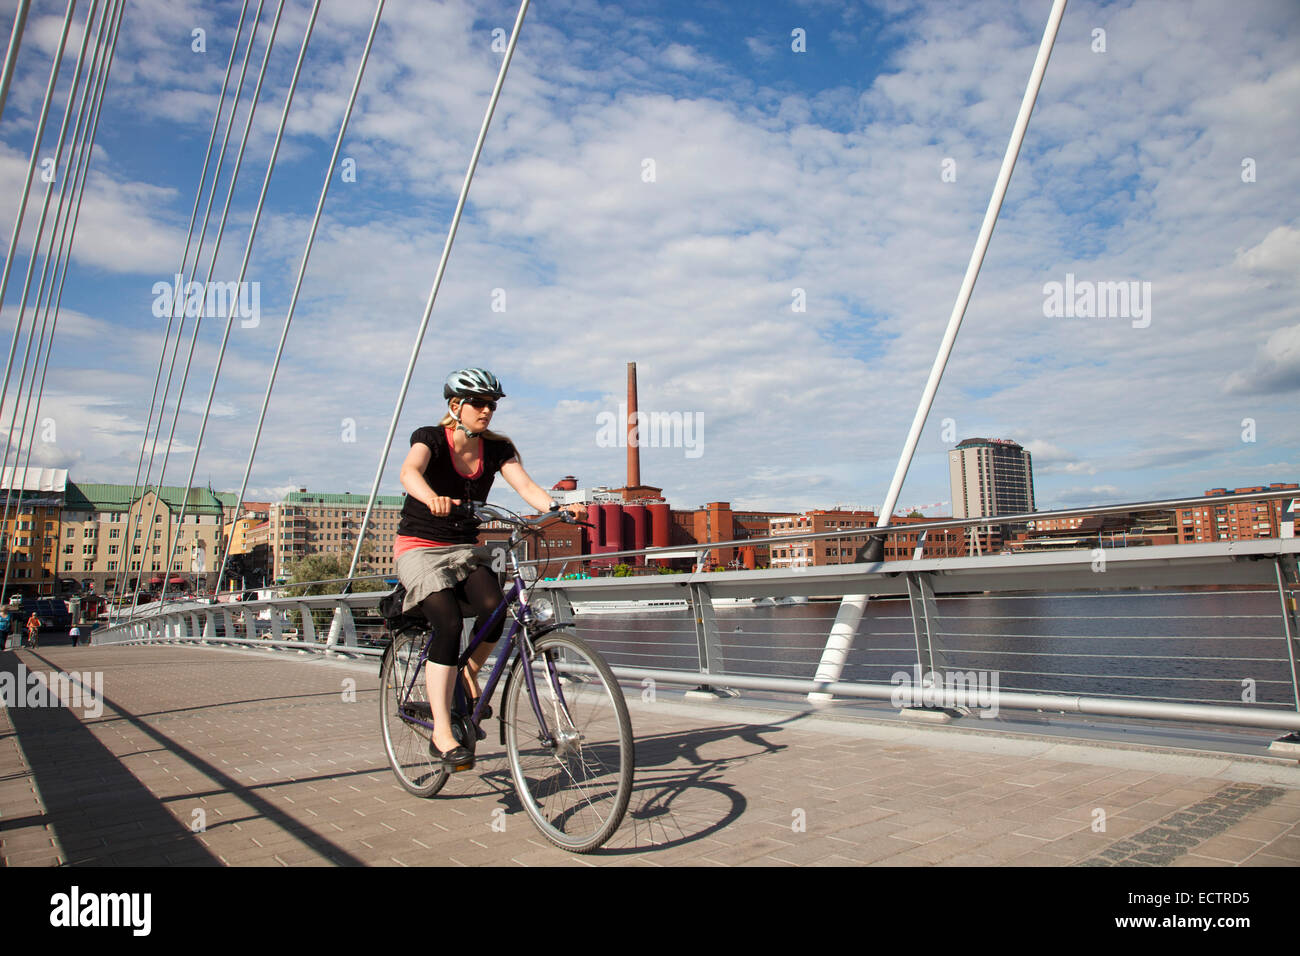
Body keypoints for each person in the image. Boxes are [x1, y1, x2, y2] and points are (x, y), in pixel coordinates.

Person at [395, 367, 585, 771]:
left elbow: (527, 487)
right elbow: (410, 472)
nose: (487, 411)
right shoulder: (429, 438)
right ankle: (442, 733)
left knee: (496, 605)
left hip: (463, 548)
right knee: (446, 621)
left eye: (492, 404)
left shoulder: (497, 449)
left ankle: (467, 671)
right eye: (479, 403)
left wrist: (557, 509)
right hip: (420, 547)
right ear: (455, 406)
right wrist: (433, 498)